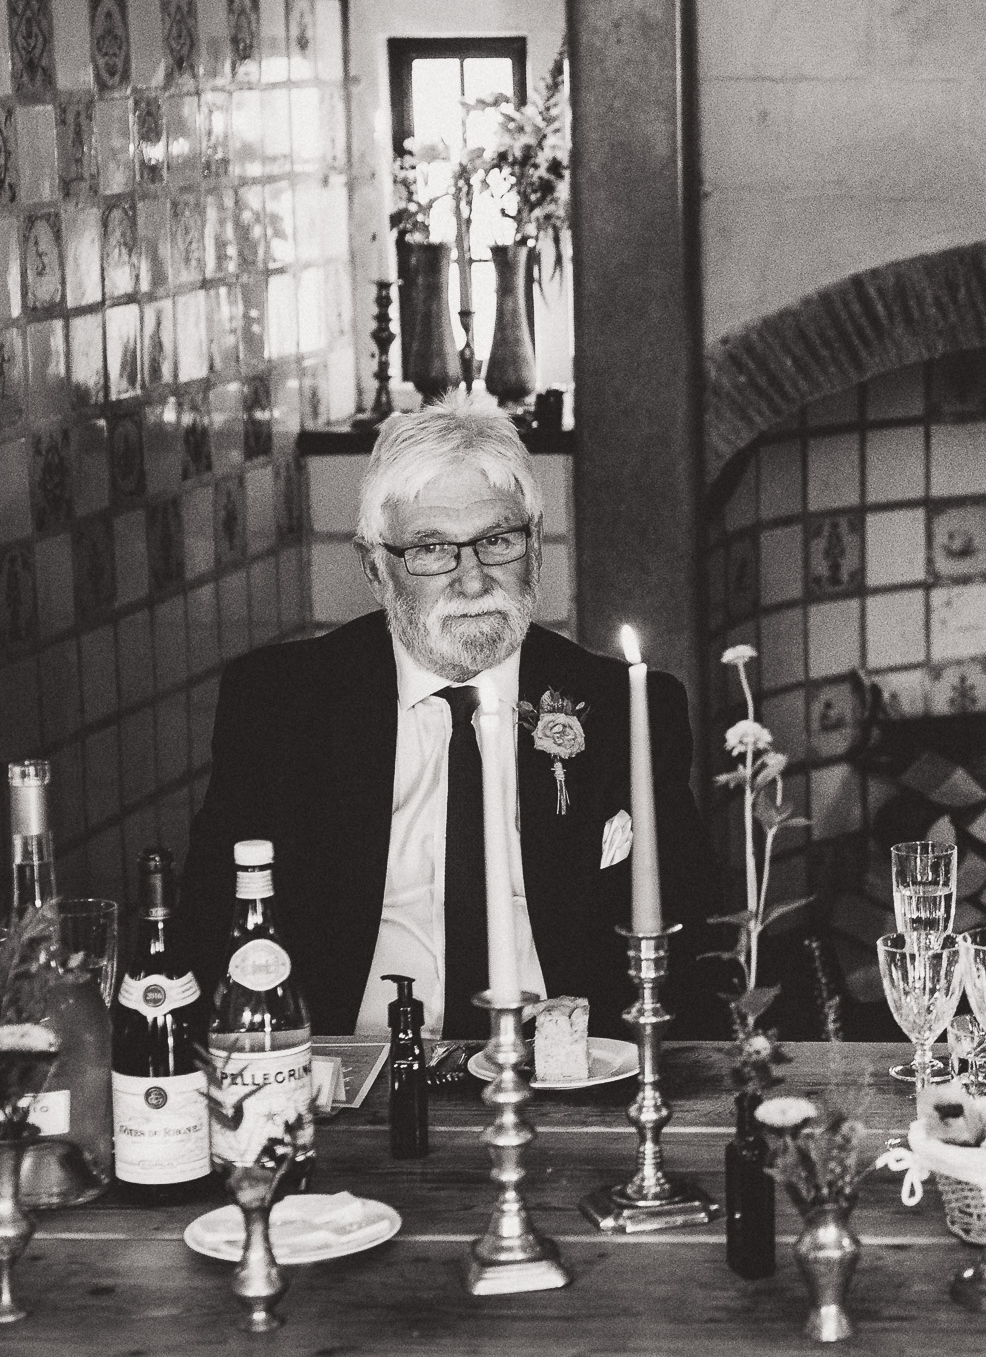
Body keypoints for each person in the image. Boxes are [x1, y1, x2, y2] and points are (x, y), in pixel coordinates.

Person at [173, 400, 713, 1036]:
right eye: (431, 549)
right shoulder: (282, 707)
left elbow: (690, 943)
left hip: (560, 1080)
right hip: (350, 1076)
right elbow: (208, 937)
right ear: (376, 568)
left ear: (536, 547)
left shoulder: (627, 710)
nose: (472, 580)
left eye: (497, 541)